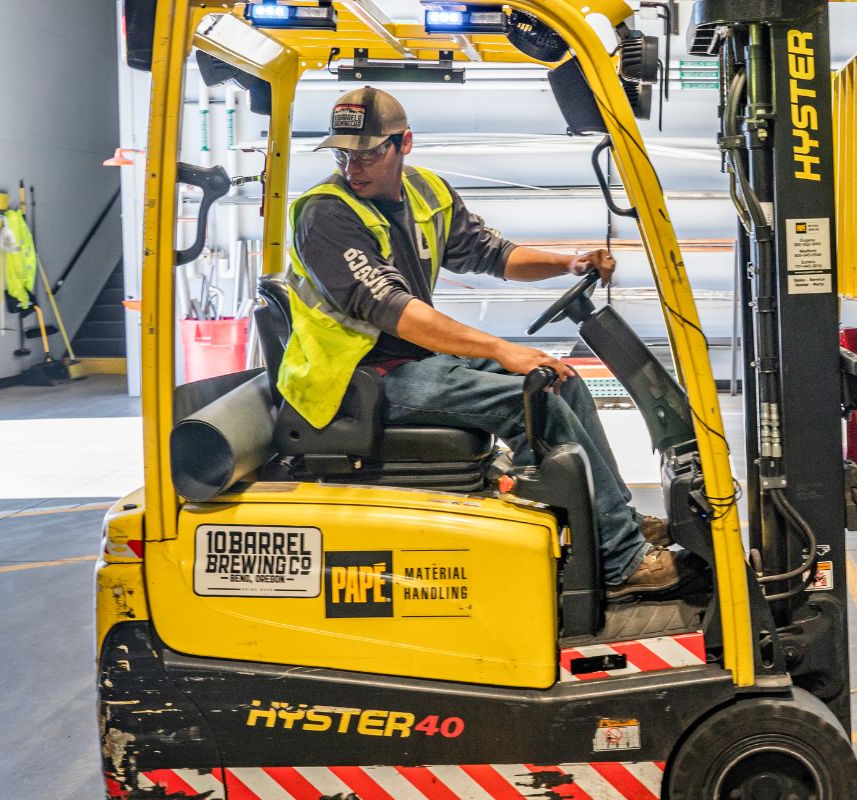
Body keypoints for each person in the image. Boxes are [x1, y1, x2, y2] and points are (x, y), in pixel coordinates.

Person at [278, 86, 684, 599]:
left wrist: (567, 263)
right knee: (530, 402)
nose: (352, 167)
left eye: (368, 153)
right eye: (342, 154)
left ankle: (614, 521)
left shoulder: (425, 192)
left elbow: (494, 254)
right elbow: (395, 311)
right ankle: (620, 561)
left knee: (562, 381)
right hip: (356, 381)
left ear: (404, 143)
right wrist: (499, 349)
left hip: (409, 361)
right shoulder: (326, 215)